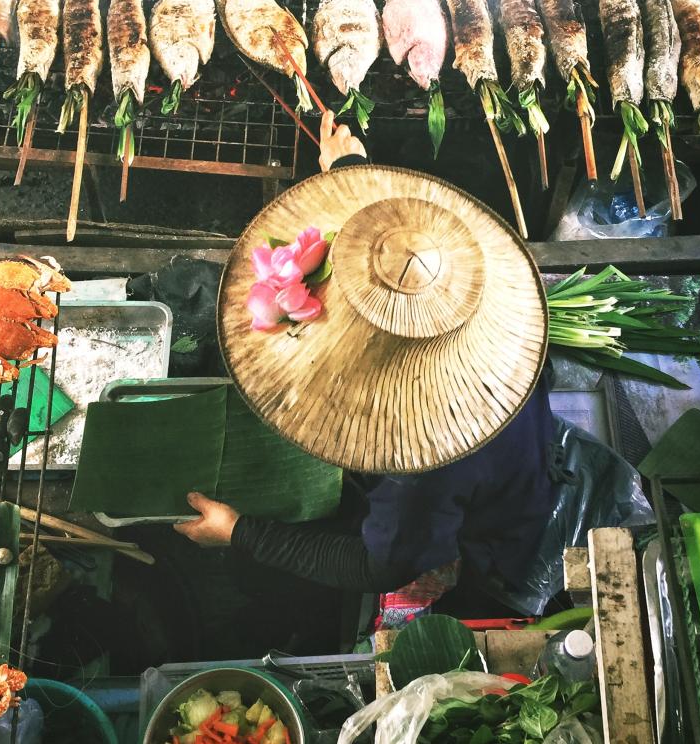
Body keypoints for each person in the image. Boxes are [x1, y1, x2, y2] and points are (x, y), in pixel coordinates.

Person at [174, 116, 558, 619]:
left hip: (501, 526)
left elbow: (377, 566)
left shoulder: (417, 463)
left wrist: (240, 532)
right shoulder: (467, 277)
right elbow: (400, 259)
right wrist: (350, 171)